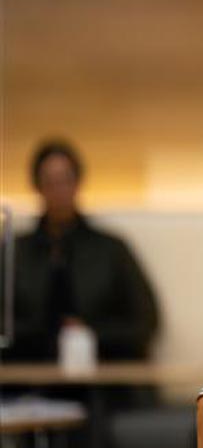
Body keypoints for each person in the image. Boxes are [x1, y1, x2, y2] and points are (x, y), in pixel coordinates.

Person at [3, 139, 160, 361]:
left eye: (64, 180)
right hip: (27, 379)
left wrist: (89, 334)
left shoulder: (111, 250)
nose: (58, 191)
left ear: (77, 183)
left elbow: (146, 323)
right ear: (37, 186)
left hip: (103, 380)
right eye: (50, 181)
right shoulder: (14, 252)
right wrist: (40, 335)